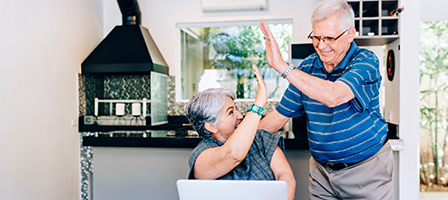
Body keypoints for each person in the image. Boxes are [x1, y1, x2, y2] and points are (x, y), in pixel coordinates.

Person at [258, 0, 394, 199]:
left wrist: (283, 67)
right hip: (322, 173)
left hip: (367, 170)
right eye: (316, 37)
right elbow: (279, 116)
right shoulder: (307, 68)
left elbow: (334, 95)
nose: (321, 46)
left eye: (329, 38)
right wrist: (235, 142)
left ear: (350, 34)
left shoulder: (366, 61)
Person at [185, 64, 296, 200]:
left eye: (236, 108)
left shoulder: (260, 138)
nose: (240, 115)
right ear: (212, 127)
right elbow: (232, 155)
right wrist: (258, 104)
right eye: (231, 112)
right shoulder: (201, 156)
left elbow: (285, 175)